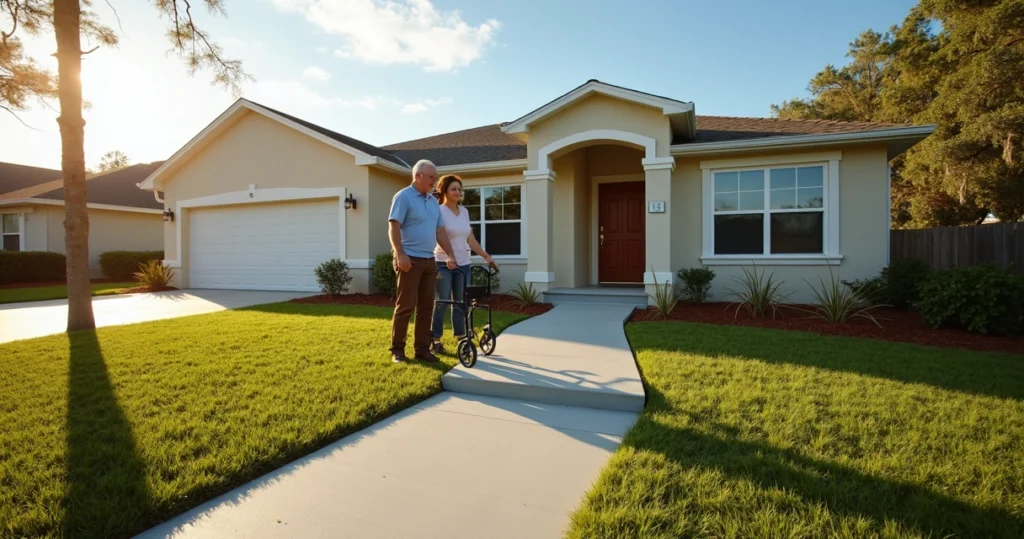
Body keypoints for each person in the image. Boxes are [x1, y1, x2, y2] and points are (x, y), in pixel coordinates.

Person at [387, 160, 457, 364]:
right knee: (406, 306)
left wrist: (450, 254)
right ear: (418, 176)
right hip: (409, 258)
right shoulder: (404, 197)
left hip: (429, 260)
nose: (435, 181)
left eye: (436, 177)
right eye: (431, 177)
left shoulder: (433, 202)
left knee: (427, 307)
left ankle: (422, 349)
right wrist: (399, 253)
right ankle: (397, 350)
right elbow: (393, 227)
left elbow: (440, 231)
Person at [430, 175, 497, 353]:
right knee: (443, 301)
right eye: (454, 189)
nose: (458, 192)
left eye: (460, 189)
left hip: (464, 262)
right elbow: (439, 235)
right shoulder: (439, 211)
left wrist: (486, 256)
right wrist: (449, 256)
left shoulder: (464, 211)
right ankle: (435, 340)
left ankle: (462, 338)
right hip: (444, 262)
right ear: (444, 191)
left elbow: (470, 239)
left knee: (462, 302)